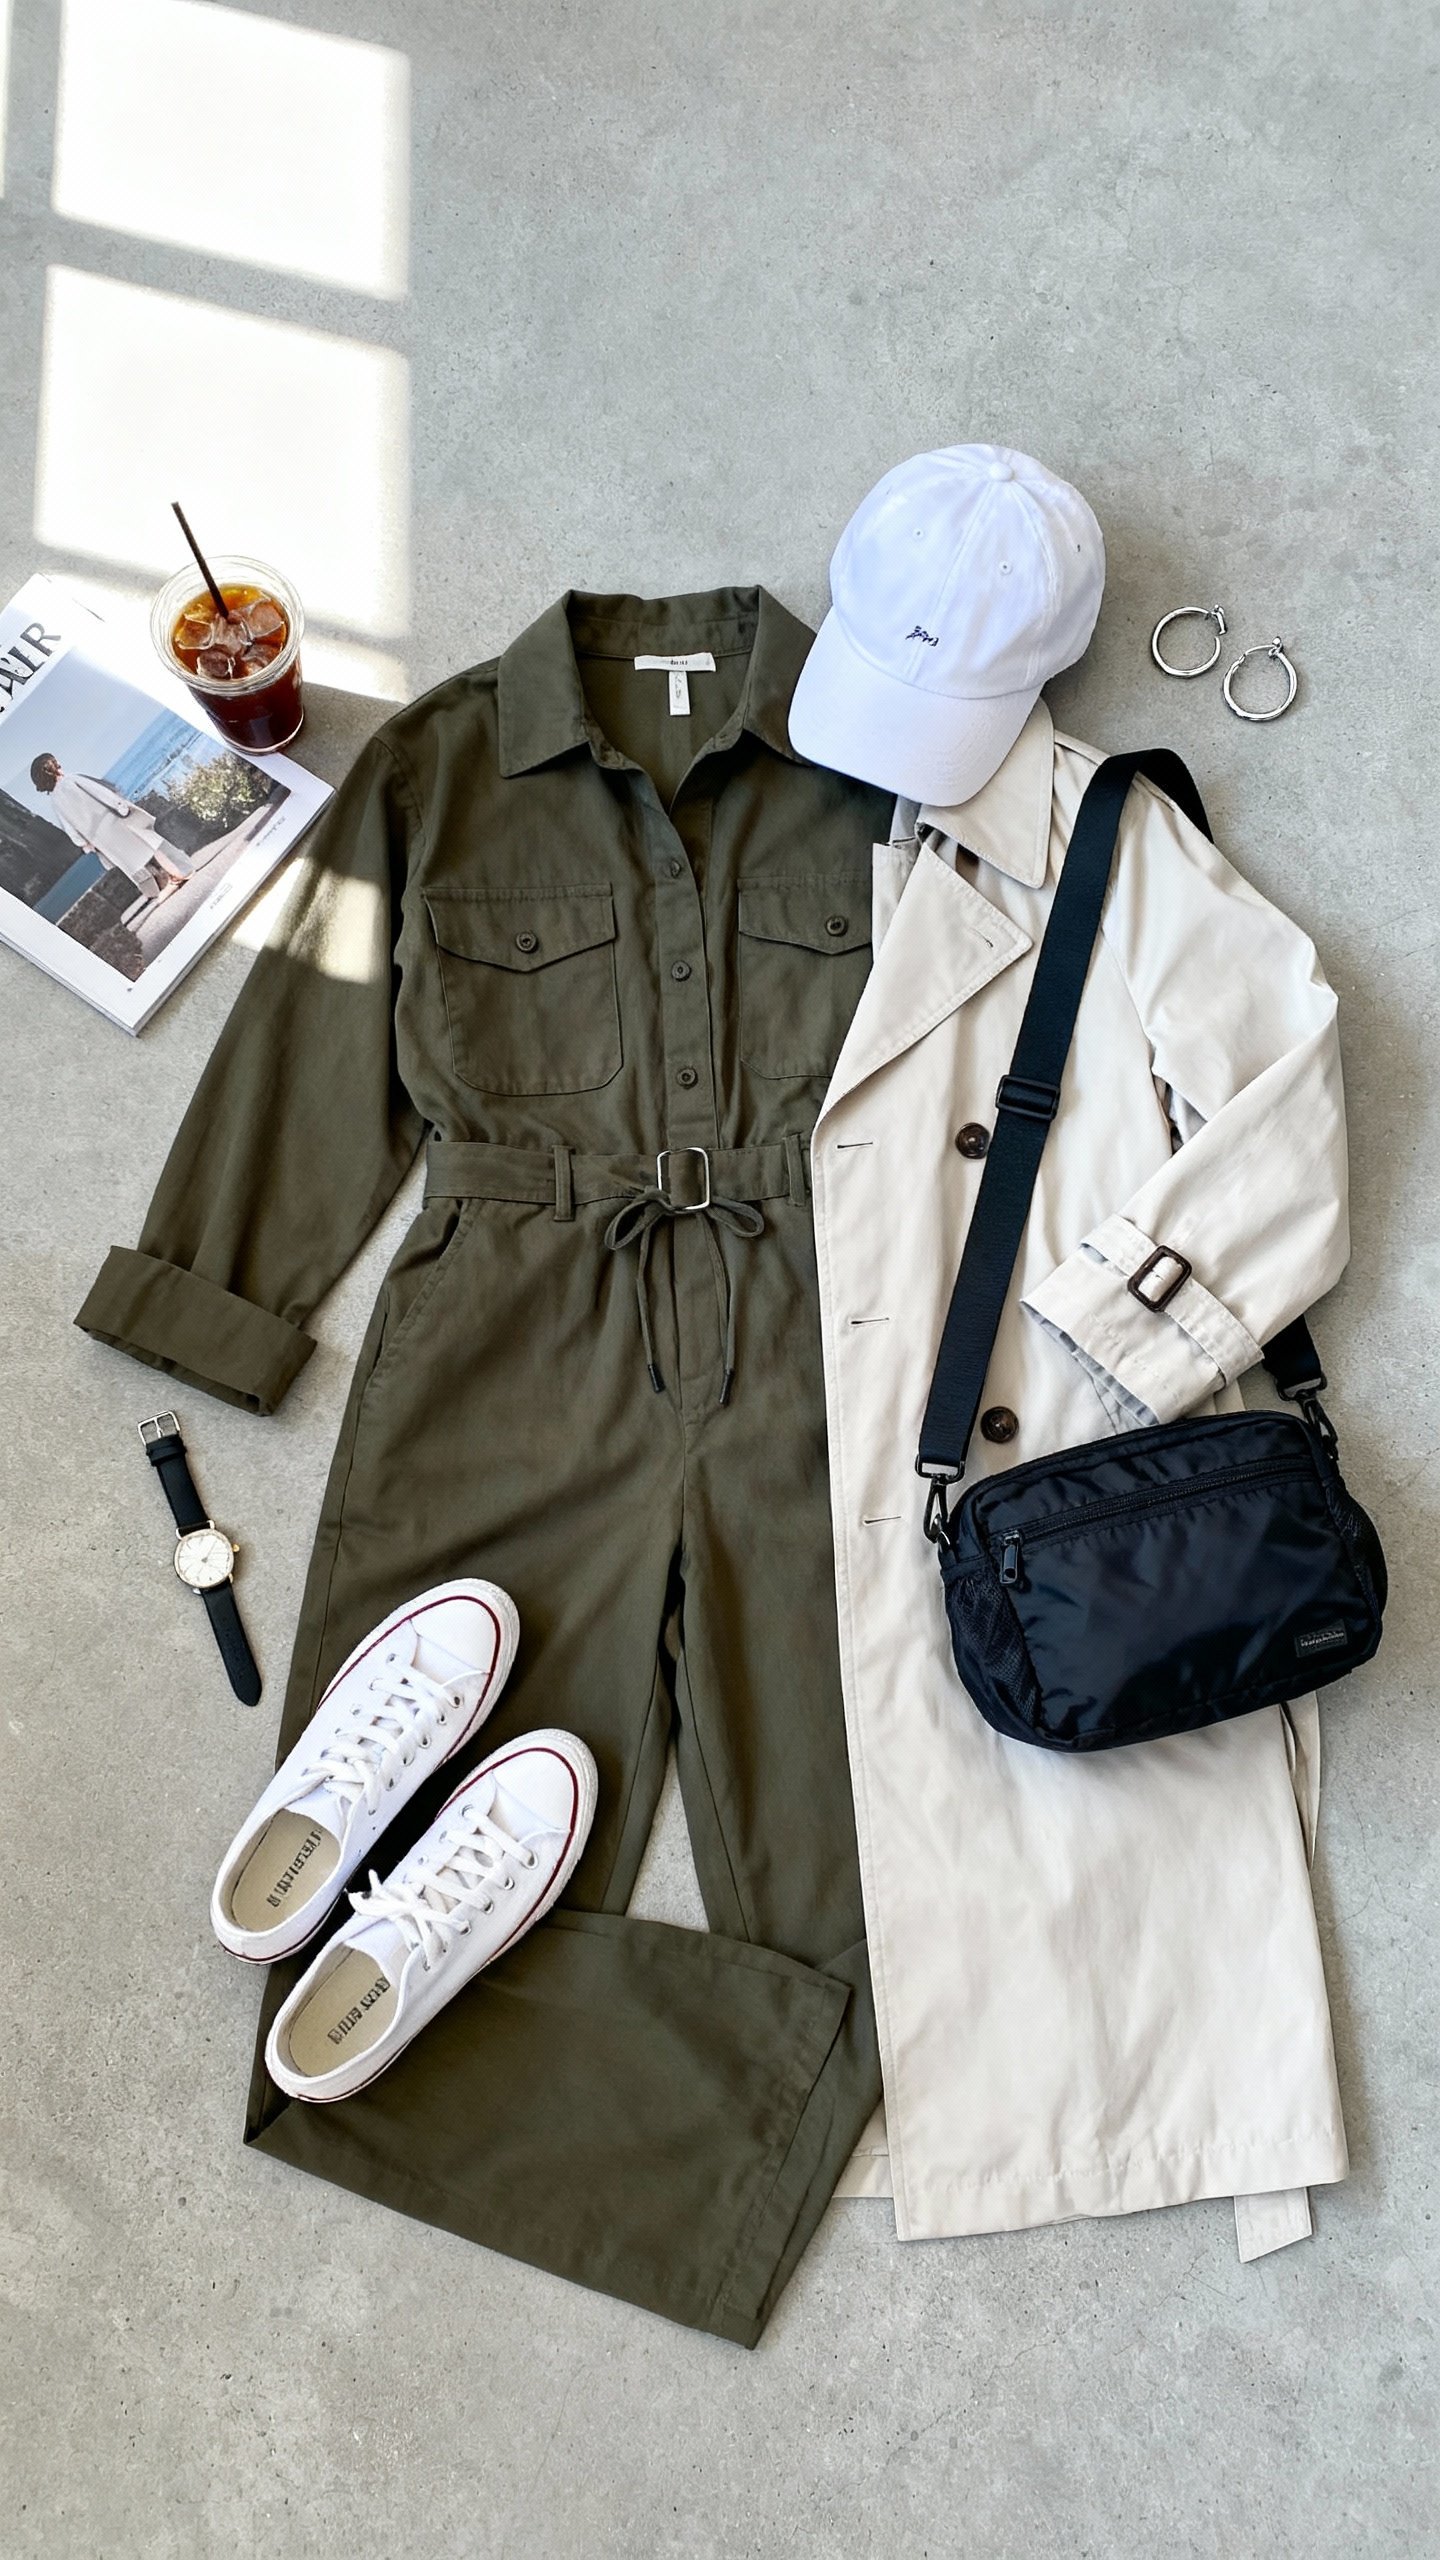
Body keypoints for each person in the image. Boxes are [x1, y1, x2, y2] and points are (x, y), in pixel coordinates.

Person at [30, 753, 195, 896]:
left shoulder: (55, 801)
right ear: (55, 767)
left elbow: (69, 828)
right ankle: (179, 872)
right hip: (114, 822)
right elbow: (100, 793)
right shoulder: (72, 780)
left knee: (132, 862)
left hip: (100, 837)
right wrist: (120, 806)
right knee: (149, 845)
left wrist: (84, 844)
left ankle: (159, 888)